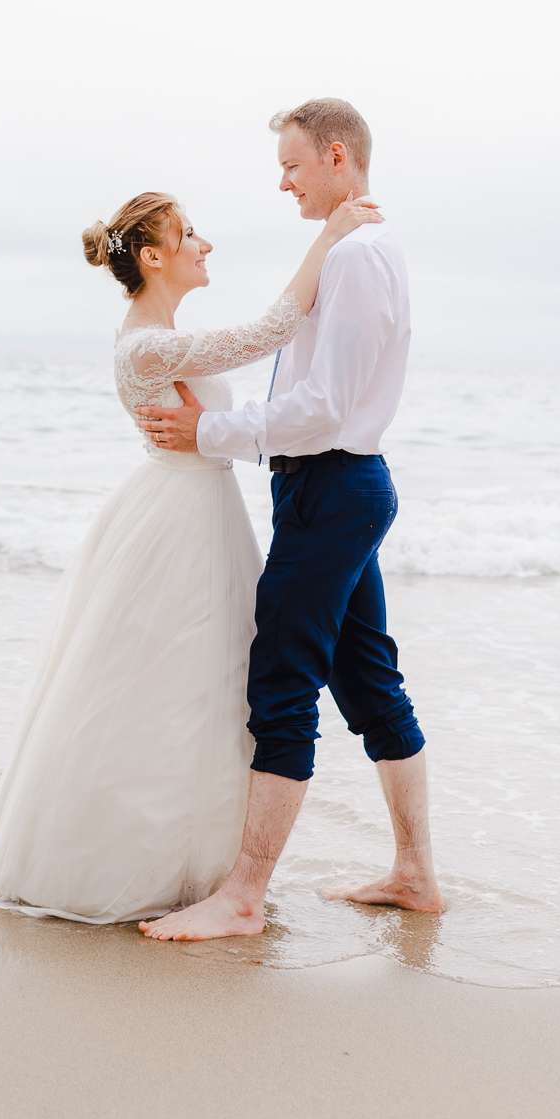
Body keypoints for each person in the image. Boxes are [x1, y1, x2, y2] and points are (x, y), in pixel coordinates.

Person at [0, 185, 382, 925]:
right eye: (189, 233)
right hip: (179, 522)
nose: (204, 243)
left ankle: (202, 861)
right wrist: (328, 238)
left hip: (194, 507)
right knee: (171, 683)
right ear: (154, 256)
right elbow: (270, 330)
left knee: (200, 685)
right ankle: (141, 861)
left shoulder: (156, 336)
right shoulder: (149, 345)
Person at [135, 96, 444, 940]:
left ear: (336, 156)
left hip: (332, 487)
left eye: (292, 165)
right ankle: (414, 875)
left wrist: (208, 432)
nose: (283, 183)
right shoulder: (352, 249)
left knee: (280, 681)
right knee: (369, 682)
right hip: (333, 487)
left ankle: (242, 894)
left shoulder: (359, 257)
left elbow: (322, 407)